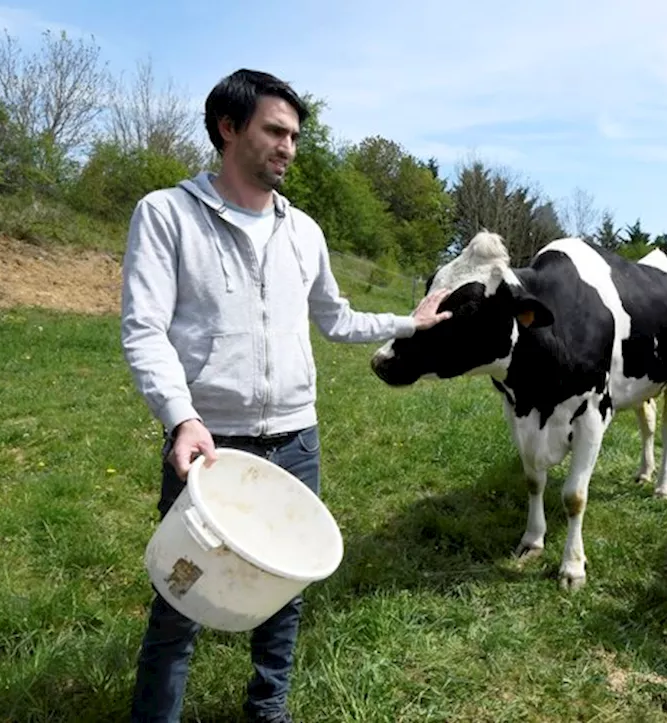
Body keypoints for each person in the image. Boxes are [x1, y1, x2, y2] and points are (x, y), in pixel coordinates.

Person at [120, 68, 451, 723]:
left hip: (297, 438)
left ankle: (267, 710)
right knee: (182, 594)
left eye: (295, 135)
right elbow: (143, 328)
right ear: (228, 128)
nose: (289, 147)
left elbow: (335, 317)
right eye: (275, 131)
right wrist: (181, 417)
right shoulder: (167, 215)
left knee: (287, 589)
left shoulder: (303, 232)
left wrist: (407, 324)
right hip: (210, 445)